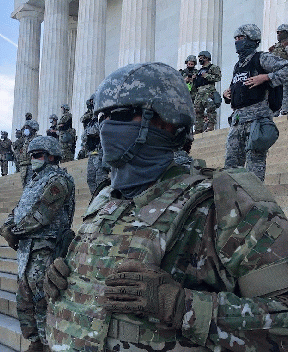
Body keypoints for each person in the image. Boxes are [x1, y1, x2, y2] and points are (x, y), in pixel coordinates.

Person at [44, 62, 288, 352]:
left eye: (120, 115)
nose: (106, 127)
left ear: (167, 122)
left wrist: (180, 306)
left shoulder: (224, 202)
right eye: (102, 116)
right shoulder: (106, 199)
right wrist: (71, 284)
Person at [0, 136, 75, 352]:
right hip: (28, 248)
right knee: (24, 296)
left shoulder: (58, 180)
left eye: (37, 155)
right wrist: (7, 226)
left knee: (42, 297)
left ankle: (48, 343)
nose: (33, 159)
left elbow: (42, 215)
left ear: (52, 156)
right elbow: (20, 208)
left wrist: (15, 231)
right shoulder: (35, 179)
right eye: (31, 155)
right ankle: (35, 341)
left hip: (45, 246)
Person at [223, 24, 288, 182]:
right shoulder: (238, 66)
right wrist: (227, 95)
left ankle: (254, 204)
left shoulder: (262, 58)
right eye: (236, 39)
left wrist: (266, 77)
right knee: (230, 168)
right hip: (238, 122)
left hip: (257, 121)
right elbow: (238, 87)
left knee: (254, 169)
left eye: (241, 38)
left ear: (251, 40)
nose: (237, 42)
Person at [81, 95, 109, 194]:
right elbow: (84, 136)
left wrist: (90, 133)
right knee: (90, 179)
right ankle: (96, 199)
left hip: (101, 153)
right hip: (92, 153)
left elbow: (97, 130)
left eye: (93, 101)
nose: (91, 103)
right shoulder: (92, 119)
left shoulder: (103, 115)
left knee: (100, 180)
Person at [194, 50, 221, 133]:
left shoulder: (213, 67)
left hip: (208, 91)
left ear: (206, 58)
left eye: (201, 58)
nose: (200, 60)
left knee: (210, 109)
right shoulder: (199, 70)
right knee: (197, 111)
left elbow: (218, 78)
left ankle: (210, 126)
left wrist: (207, 76)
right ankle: (198, 129)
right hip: (199, 92)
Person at [269, 24, 288, 114]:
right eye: (277, 32)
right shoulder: (276, 46)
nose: (278, 34)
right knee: (275, 94)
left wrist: (286, 47)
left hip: (285, 74)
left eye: (280, 32)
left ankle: (285, 111)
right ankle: (275, 112)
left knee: (285, 94)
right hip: (275, 74)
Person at [19, 119, 40, 187]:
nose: (25, 130)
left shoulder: (37, 139)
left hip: (32, 166)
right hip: (25, 167)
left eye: (27, 128)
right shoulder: (26, 140)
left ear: (33, 129)